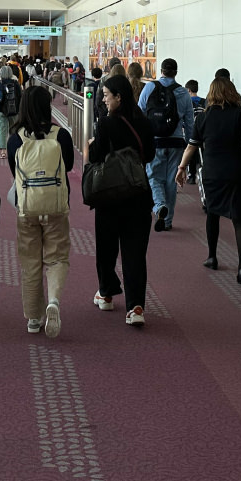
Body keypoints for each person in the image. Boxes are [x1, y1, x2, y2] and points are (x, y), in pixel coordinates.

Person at [87, 74, 156, 326]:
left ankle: (106, 294)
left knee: (106, 247)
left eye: (106, 95)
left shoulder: (106, 124)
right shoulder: (145, 123)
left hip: (110, 195)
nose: (103, 100)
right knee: (135, 252)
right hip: (138, 194)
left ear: (119, 97)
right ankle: (136, 307)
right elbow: (148, 155)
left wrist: (93, 144)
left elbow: (95, 157)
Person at [9, 86, 75, 338]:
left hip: (27, 207)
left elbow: (13, 174)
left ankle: (33, 318)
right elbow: (67, 166)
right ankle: (53, 302)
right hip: (56, 205)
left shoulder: (16, 138)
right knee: (56, 257)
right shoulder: (61, 136)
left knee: (30, 261)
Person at [177, 77, 241, 284]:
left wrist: (182, 167)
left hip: (213, 173)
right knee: (239, 220)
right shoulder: (240, 113)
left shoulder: (204, 117)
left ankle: (212, 256)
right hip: (238, 171)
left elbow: (192, 146)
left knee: (213, 214)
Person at [138, 58, 194, 232]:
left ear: (161, 71)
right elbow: (190, 122)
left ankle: (159, 206)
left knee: (154, 177)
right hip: (176, 142)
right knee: (171, 180)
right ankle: (168, 221)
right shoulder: (184, 92)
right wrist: (188, 147)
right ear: (176, 73)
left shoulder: (150, 87)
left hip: (155, 141)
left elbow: (140, 113)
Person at [0, 65, 22, 160]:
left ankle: (3, 152)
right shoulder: (16, 84)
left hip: (1, 111)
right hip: (14, 111)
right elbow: (20, 97)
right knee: (14, 130)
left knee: (3, 131)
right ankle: (15, 150)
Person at [183, 80, 204, 185]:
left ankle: (191, 175)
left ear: (188, 90)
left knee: (190, 151)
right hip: (203, 135)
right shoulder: (204, 102)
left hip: (191, 134)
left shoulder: (187, 103)